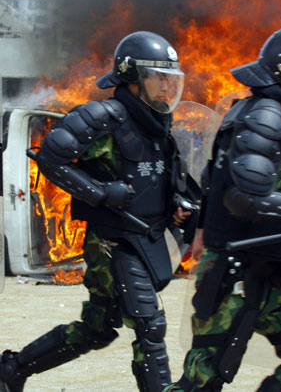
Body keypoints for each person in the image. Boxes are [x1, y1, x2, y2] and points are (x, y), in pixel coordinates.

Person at [0, 31, 200, 392]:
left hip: (144, 238)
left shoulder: (158, 125)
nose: (168, 87)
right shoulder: (104, 117)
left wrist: (179, 206)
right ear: (133, 77)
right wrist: (101, 193)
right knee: (149, 325)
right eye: (159, 78)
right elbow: (50, 157)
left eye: (172, 79)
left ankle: (12, 368)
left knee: (96, 329)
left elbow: (157, 181)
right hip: (112, 241)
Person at [164, 25, 281, 391]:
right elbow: (244, 197)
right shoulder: (265, 115)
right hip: (233, 270)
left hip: (266, 268)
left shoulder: (267, 115)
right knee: (203, 380)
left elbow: (217, 182)